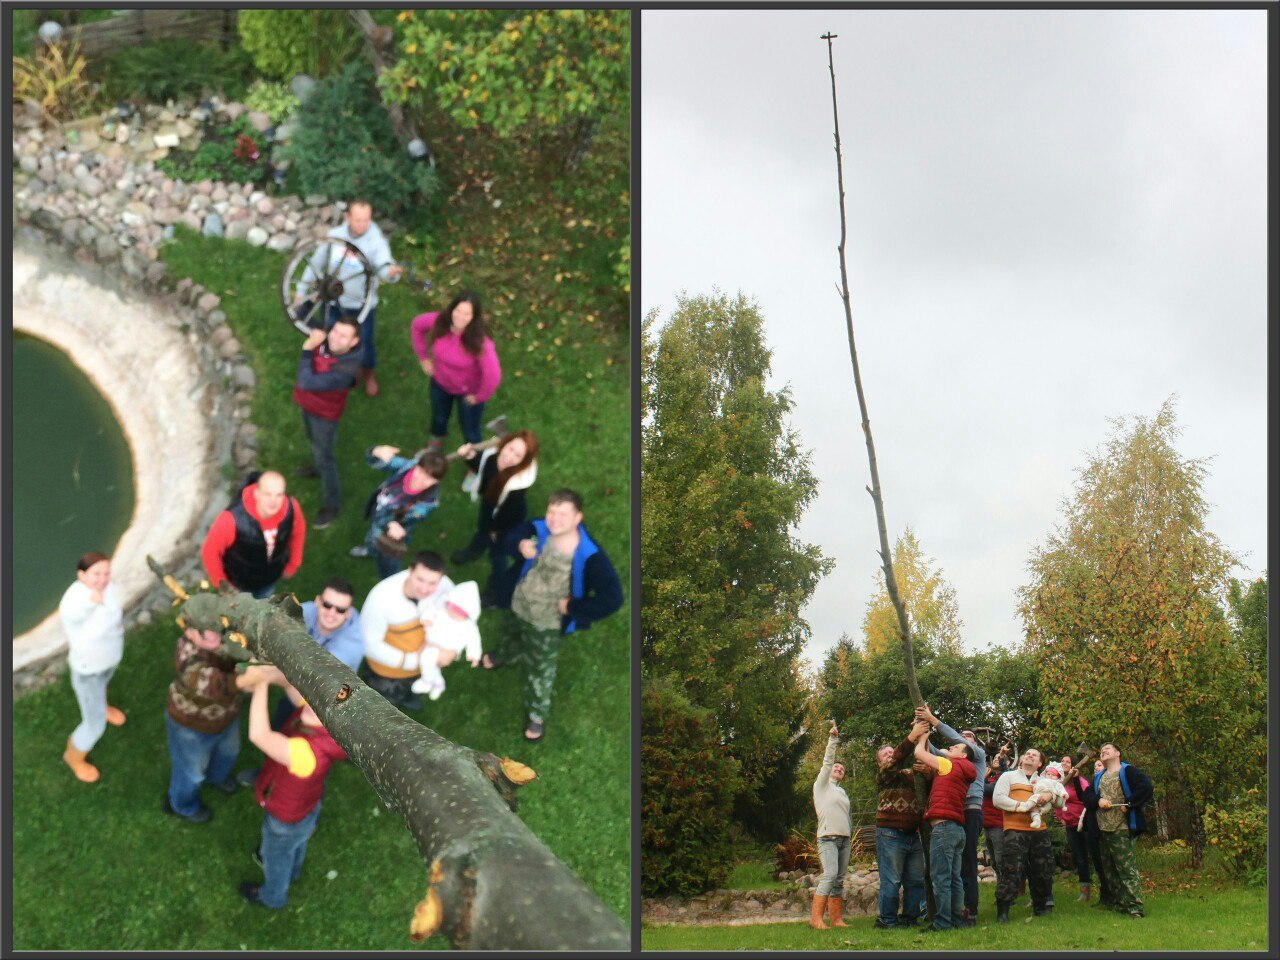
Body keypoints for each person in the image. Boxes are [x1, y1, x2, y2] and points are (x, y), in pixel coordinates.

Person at [485, 489, 623, 742]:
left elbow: (612, 598)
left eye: (563, 514)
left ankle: (537, 715)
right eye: (551, 511)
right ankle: (501, 655)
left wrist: (573, 608)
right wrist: (520, 544)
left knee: (540, 667)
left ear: (577, 518)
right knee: (509, 634)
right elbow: (511, 535)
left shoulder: (590, 556)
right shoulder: (539, 529)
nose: (554, 519)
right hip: (519, 603)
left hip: (546, 621)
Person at [238, 666, 347, 909]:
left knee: (275, 858)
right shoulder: (322, 722)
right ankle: (294, 870)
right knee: (296, 843)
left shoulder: (307, 753)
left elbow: (259, 736)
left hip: (284, 819)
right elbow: (290, 685)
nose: (312, 704)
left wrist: (260, 685)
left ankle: (272, 896)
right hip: (305, 807)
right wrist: (268, 674)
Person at [296, 199, 402, 397]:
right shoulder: (335, 237)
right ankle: (339, 371)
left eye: (367, 220)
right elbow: (316, 264)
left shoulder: (375, 242)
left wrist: (391, 272)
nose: (363, 225)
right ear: (347, 218)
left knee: (365, 345)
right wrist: (301, 291)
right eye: (358, 220)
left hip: (361, 308)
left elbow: (383, 265)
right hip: (333, 303)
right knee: (332, 339)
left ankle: (368, 375)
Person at [164, 623, 265, 824]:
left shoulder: (224, 637)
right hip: (192, 728)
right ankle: (182, 805)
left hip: (227, 717)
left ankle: (217, 777)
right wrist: (253, 677)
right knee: (191, 772)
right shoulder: (187, 655)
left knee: (230, 751)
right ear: (188, 633)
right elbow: (214, 684)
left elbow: (244, 654)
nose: (210, 632)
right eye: (201, 628)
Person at [358, 552, 456, 712]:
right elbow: (369, 644)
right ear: (409, 572)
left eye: (432, 583)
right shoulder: (381, 598)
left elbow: (459, 619)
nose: (425, 589)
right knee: (382, 706)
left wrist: (452, 650)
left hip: (426, 664)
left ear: (441, 579)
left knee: (415, 686)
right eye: (420, 579)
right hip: (388, 672)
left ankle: (409, 695)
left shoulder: (446, 588)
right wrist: (413, 662)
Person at [58, 552, 126, 783]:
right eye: (96, 574)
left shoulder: (109, 587)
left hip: (108, 660)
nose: (103, 578)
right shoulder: (75, 600)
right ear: (81, 575)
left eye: (106, 572)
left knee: (104, 685)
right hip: (89, 671)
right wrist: (91, 603)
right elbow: (73, 615)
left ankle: (103, 706)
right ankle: (73, 757)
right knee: (93, 725)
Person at [916, 704, 987, 923]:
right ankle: (956, 915)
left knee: (962, 865)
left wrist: (933, 721)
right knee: (955, 869)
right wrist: (923, 731)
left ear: (969, 746)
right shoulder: (956, 764)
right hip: (955, 813)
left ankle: (965, 913)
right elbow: (935, 753)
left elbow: (936, 751)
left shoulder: (978, 755)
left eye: (966, 738)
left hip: (966, 812)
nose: (960, 740)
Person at [291, 316, 363, 529]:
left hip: (324, 416)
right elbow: (302, 311)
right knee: (312, 440)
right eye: (335, 331)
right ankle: (315, 468)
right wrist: (314, 295)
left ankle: (332, 505)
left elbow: (306, 381)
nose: (335, 338)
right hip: (308, 406)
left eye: (344, 336)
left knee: (326, 458)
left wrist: (307, 349)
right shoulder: (326, 340)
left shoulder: (345, 372)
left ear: (354, 342)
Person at [450, 431, 539, 602]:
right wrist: (470, 457)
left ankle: (496, 590)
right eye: (510, 448)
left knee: (497, 553)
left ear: (523, 461)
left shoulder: (516, 486)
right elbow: (483, 471)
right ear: (505, 443)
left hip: (507, 520)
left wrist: (496, 530)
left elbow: (509, 512)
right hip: (490, 503)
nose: (509, 456)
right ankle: (474, 551)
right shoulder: (493, 456)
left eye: (517, 455)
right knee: (482, 529)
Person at [410, 292, 501, 447]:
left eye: (466, 314)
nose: (460, 317)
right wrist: (423, 358)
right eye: (457, 311)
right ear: (451, 309)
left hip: (468, 392)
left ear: (474, 317)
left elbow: (493, 375)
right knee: (439, 417)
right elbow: (417, 325)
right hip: (440, 384)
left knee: (470, 430)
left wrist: (479, 397)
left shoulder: (480, 341)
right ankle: (435, 443)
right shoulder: (441, 321)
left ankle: (474, 461)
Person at [201, 471, 306, 599]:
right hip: (239, 583)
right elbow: (210, 552)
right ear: (256, 493)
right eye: (267, 494)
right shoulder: (231, 520)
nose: (273, 501)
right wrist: (224, 587)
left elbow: (298, 533)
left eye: (279, 495)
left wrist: (293, 564)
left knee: (263, 605)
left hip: (269, 579)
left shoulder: (291, 508)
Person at [351, 446, 449, 579]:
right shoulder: (406, 467)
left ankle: (389, 581)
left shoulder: (426, 505)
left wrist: (390, 523)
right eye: (420, 471)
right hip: (378, 513)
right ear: (416, 466)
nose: (420, 480)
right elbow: (378, 462)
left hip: (392, 535)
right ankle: (370, 550)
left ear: (436, 481)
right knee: (372, 537)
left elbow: (397, 519)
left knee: (389, 564)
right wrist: (375, 452)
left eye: (429, 478)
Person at [992, 747, 1063, 922]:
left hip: (1039, 831)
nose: (1030, 755)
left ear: (1040, 763)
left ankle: (1040, 907)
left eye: (1035, 755)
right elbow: (998, 799)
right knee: (1011, 869)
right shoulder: (1007, 776)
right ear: (1022, 759)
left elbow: (1061, 802)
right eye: (1028, 753)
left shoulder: (1045, 781)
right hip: (1014, 829)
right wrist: (1022, 806)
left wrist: (1050, 796)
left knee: (1043, 869)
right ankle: (1003, 911)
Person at [872, 720, 931, 930]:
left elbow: (928, 773)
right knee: (892, 880)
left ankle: (909, 918)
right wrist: (911, 736)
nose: (890, 755)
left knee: (915, 880)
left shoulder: (909, 775)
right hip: (890, 834)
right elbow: (896, 760)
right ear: (880, 763)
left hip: (912, 835)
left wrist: (923, 739)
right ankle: (886, 920)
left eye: (891, 752)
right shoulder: (883, 776)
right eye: (885, 755)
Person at [1085, 742, 1153, 918]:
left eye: (1108, 748)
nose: (1103, 751)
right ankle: (1120, 904)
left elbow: (1146, 787)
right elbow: (1087, 796)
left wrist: (1130, 804)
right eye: (1101, 750)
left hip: (1121, 828)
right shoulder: (1099, 776)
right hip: (1102, 829)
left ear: (1118, 753)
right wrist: (1098, 800)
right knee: (1109, 871)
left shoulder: (1128, 771)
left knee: (1126, 869)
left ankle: (1135, 908)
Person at [411, 580, 483, 702]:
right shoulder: (441, 611)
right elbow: (429, 612)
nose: (453, 614)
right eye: (451, 608)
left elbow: (474, 641)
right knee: (432, 664)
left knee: (428, 657)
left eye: (459, 612)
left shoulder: (469, 626)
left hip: (447, 648)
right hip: (432, 642)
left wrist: (474, 655)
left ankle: (427, 681)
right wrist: (426, 618)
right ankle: (438, 684)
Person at [810, 722, 851, 930]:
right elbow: (827, 762)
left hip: (845, 840)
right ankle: (815, 919)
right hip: (828, 839)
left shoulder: (842, 793)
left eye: (842, 769)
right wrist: (832, 740)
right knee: (830, 874)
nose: (838, 769)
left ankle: (836, 919)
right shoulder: (822, 786)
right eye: (837, 767)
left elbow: (847, 816)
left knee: (839, 880)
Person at [1056, 753, 1108, 904]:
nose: (1064, 763)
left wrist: (1076, 778)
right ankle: (1085, 893)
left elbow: (1086, 797)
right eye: (1062, 760)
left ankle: (1106, 890)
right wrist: (1062, 819)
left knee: (1095, 855)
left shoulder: (1080, 780)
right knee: (1080, 858)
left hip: (1085, 824)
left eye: (1068, 761)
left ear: (1073, 765)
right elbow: (1056, 803)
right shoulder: (1058, 783)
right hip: (1071, 826)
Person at [981, 742, 1014, 889]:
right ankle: (1003, 888)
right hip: (987, 824)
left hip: (998, 824)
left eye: (998, 759)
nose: (995, 760)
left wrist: (980, 779)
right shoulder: (989, 777)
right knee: (994, 861)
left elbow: (989, 791)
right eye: (993, 758)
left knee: (1001, 859)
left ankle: (1006, 890)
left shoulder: (1004, 777)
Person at [1028, 761, 1069, 829]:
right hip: (1039, 796)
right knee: (1033, 799)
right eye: (1048, 774)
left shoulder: (1057, 783)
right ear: (1045, 774)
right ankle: (1027, 807)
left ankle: (1037, 818)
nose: (1050, 776)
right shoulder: (1042, 780)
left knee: (1046, 807)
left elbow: (1060, 789)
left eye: (1053, 775)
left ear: (1058, 777)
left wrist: (1063, 794)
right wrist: (1033, 782)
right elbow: (1035, 784)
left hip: (1048, 801)